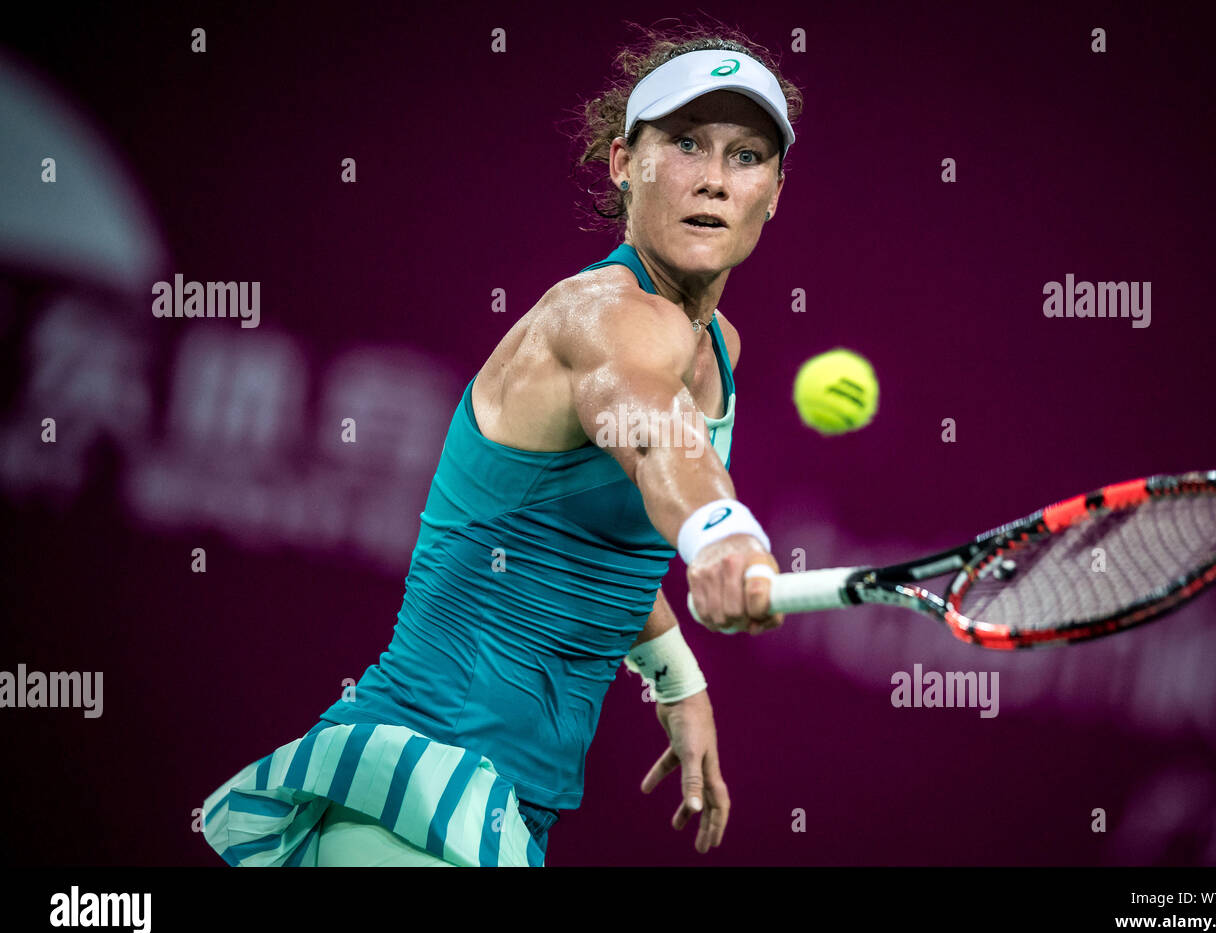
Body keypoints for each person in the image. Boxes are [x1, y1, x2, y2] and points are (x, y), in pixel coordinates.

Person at [200, 25, 803, 866]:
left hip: (502, 806)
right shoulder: (602, 316)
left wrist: (679, 681)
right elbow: (655, 434)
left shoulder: (719, 349)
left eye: (746, 156)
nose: (712, 178)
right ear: (623, 162)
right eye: (686, 143)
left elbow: (595, 548)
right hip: (417, 790)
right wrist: (722, 534)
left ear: (774, 191)